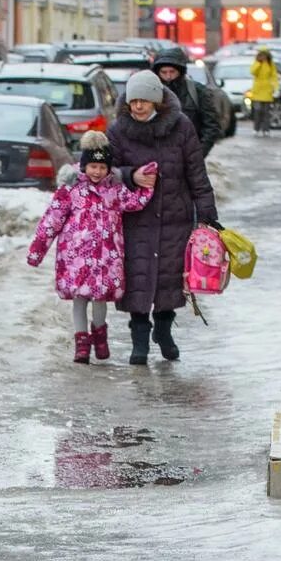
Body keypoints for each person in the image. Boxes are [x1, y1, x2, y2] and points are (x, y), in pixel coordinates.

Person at [109, 71, 218, 365]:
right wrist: (131, 175)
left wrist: (207, 214)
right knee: (139, 279)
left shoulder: (182, 127)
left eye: (144, 100)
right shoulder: (118, 130)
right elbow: (106, 172)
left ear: (156, 100)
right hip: (135, 220)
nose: (139, 107)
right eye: (134, 101)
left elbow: (196, 172)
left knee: (169, 280)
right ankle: (140, 341)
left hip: (174, 216)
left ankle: (165, 331)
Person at [26, 132, 154, 364]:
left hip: (106, 259)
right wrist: (37, 250)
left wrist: (147, 186)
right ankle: (82, 344)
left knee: (99, 301)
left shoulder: (114, 190)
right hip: (76, 259)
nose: (97, 172)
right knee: (79, 300)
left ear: (108, 169)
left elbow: (134, 203)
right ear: (84, 166)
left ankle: (100, 334)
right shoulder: (71, 190)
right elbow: (52, 220)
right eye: (92, 166)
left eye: (102, 167)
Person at [149, 45, 222, 157]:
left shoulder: (197, 91)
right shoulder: (151, 92)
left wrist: (200, 153)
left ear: (180, 71)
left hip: (189, 156)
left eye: (172, 72)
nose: (168, 76)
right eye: (164, 72)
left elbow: (212, 125)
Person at [247, 48, 279, 137]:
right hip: (257, 90)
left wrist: (276, 88)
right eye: (262, 55)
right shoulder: (257, 63)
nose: (264, 57)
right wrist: (259, 63)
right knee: (258, 110)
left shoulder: (270, 64)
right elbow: (252, 71)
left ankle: (266, 129)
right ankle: (256, 128)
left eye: (265, 55)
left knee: (266, 111)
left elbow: (274, 76)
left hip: (267, 90)